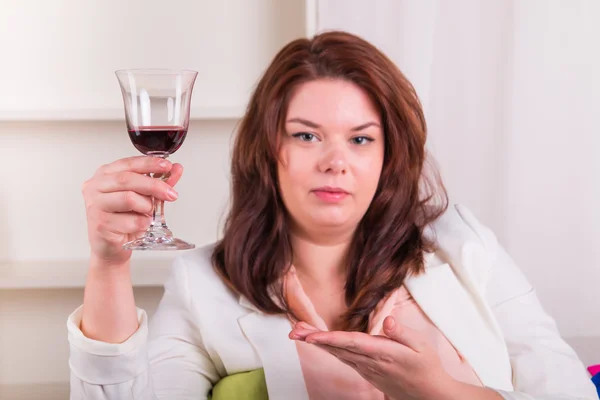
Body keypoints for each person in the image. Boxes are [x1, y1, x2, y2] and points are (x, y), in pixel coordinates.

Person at [67, 31, 597, 400]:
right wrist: (108, 265)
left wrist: (441, 392)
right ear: (268, 150)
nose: (335, 162)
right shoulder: (203, 282)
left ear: (388, 156)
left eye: (361, 139)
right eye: (306, 135)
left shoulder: (465, 248)